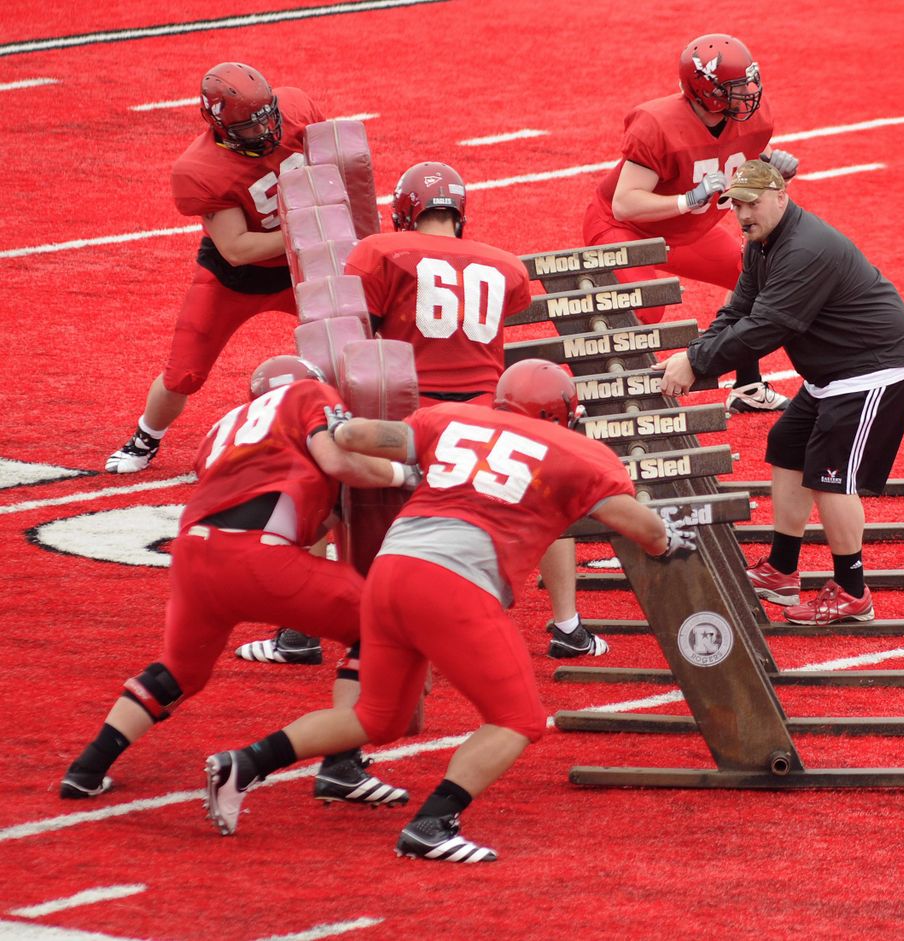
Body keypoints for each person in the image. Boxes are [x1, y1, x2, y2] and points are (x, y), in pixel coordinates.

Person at [202, 359, 697, 862]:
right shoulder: (579, 453)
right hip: (452, 585)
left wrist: (336, 424)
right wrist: (669, 544)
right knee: (518, 718)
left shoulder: (452, 419)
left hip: (390, 572)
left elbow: (358, 435)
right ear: (560, 411)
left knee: (378, 715)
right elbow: (642, 527)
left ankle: (243, 763)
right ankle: (433, 824)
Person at [237, 161, 607, 663]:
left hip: (411, 417)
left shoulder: (381, 252)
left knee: (328, 480)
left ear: (406, 211)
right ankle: (570, 627)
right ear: (460, 212)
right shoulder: (504, 264)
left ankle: (298, 633)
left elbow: (358, 338)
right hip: (486, 417)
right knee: (539, 490)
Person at [62, 356, 409, 809]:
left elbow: (294, 507)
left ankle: (86, 770)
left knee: (177, 672)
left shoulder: (220, 430)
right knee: (380, 625)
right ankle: (341, 764)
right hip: (257, 557)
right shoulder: (308, 396)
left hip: (192, 553)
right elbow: (336, 462)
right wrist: (406, 475)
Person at [654, 160, 904, 625]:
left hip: (876, 367)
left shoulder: (805, 250)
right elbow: (738, 309)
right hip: (834, 370)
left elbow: (767, 327)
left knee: (830, 475)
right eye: (736, 205)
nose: (743, 214)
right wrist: (696, 352)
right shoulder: (761, 245)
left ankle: (852, 591)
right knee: (786, 445)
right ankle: (782, 570)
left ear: (781, 196)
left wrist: (697, 364)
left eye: (752, 203)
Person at [106, 62, 324, 475]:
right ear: (220, 126)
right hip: (237, 278)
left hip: (304, 267)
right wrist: (315, 226)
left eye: (268, 118)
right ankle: (145, 438)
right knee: (183, 373)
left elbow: (336, 165)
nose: (265, 132)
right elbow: (239, 248)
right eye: (249, 127)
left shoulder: (297, 107)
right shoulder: (200, 170)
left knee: (359, 338)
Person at [583, 33, 799, 414]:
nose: (747, 94)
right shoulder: (659, 124)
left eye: (747, 82)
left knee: (754, 277)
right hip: (626, 228)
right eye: (735, 88)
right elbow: (624, 204)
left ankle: (747, 387)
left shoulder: (750, 120)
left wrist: (772, 171)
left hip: (688, 231)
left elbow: (742, 156)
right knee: (643, 308)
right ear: (707, 90)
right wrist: (691, 198)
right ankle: (594, 397)